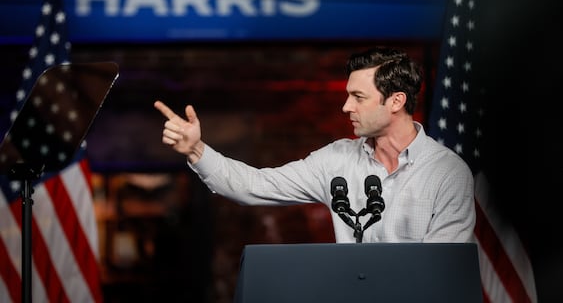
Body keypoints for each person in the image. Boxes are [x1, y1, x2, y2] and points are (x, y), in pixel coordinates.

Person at [154, 47, 475, 243]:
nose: (346, 107)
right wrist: (196, 150)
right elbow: (253, 186)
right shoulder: (336, 160)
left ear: (396, 101)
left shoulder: (447, 173)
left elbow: (440, 273)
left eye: (358, 97)